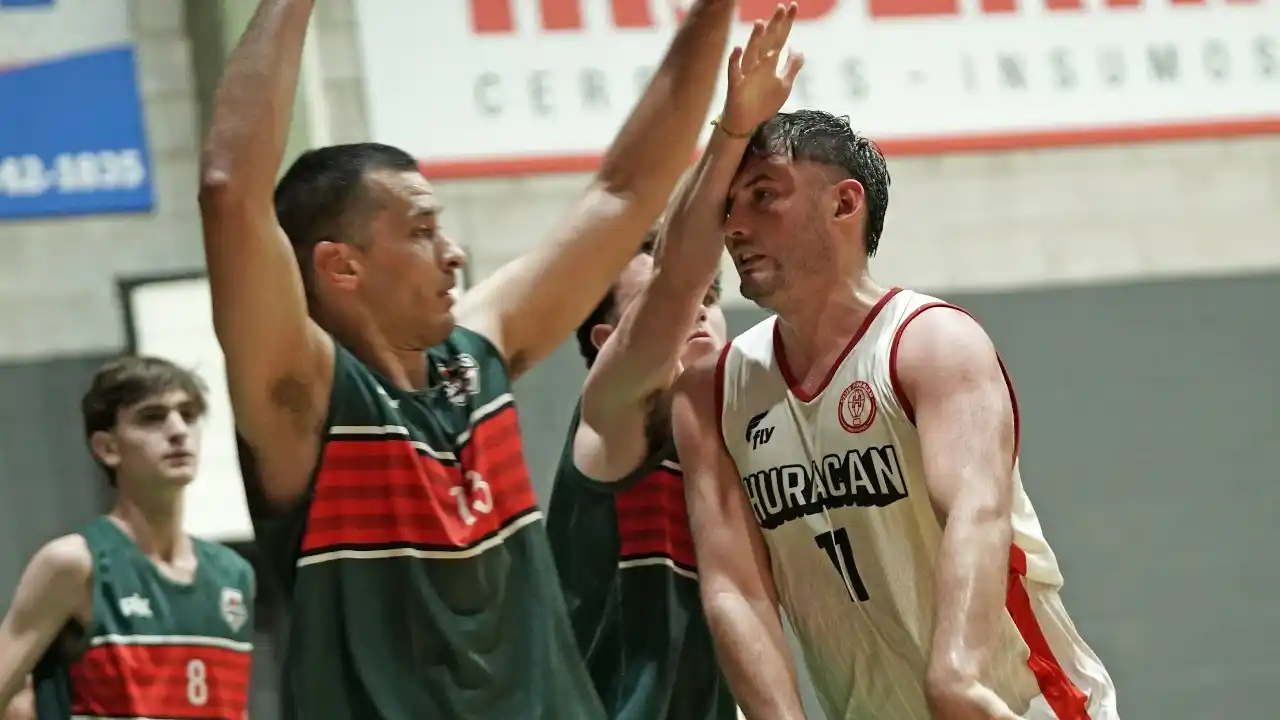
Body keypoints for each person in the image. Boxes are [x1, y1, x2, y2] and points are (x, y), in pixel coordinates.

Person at [197, 0, 736, 716]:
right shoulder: (304, 400)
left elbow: (624, 191)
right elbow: (229, 192)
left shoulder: (478, 354)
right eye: (421, 230)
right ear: (341, 266)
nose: (452, 253)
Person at [669, 109, 1120, 720]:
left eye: (764, 196)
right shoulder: (712, 389)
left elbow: (976, 511)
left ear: (843, 204)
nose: (735, 227)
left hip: (1020, 705)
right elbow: (736, 590)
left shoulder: (931, 343)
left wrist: (954, 678)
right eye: (729, 205)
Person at [546, 8, 802, 719]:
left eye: (713, 297)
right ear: (606, 344)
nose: (698, 310)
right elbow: (677, 280)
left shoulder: (739, 445)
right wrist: (732, 134)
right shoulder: (609, 427)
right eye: (661, 303)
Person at [0, 357, 255, 720]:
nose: (178, 429)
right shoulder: (75, 565)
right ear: (107, 448)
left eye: (188, 413)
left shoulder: (234, 576)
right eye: (152, 417)